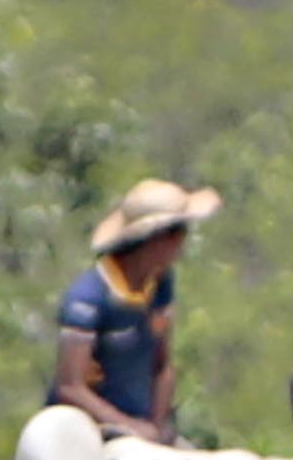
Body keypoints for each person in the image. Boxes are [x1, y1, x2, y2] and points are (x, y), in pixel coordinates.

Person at [55, 177, 219, 444]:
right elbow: (70, 387)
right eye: (178, 234)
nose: (182, 244)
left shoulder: (161, 284)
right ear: (153, 239)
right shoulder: (88, 298)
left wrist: (155, 425)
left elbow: (162, 365)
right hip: (88, 431)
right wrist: (128, 426)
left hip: (144, 427)